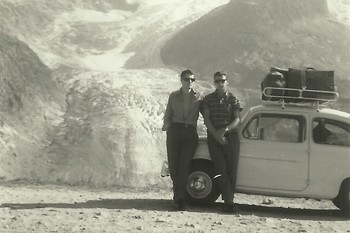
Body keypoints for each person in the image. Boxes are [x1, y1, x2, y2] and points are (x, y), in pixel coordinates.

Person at [162, 69, 203, 211]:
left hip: (190, 132)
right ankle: (178, 197)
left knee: (184, 167)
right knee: (174, 167)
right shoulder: (174, 96)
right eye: (187, 79)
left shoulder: (199, 97)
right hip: (175, 131)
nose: (190, 82)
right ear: (181, 80)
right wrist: (167, 126)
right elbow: (168, 113)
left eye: (192, 79)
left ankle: (179, 199)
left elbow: (207, 113)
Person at [202, 71, 242, 212]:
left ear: (227, 82)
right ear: (214, 83)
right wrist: (216, 135)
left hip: (230, 137)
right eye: (217, 81)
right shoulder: (208, 99)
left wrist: (224, 130)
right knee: (220, 169)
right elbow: (206, 119)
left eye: (222, 80)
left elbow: (237, 119)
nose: (220, 83)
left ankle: (229, 199)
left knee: (231, 169)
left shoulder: (233, 99)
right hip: (214, 138)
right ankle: (228, 202)